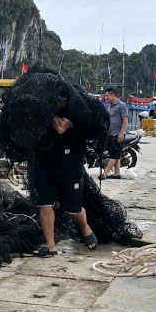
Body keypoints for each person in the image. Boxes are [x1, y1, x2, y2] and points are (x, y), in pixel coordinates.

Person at [29, 87, 98, 257]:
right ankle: (50, 245)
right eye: (55, 100)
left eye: (61, 100)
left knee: (73, 209)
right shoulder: (43, 114)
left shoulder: (75, 112)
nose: (58, 103)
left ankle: (85, 228)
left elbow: (60, 128)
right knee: (44, 203)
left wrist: (48, 112)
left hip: (70, 164)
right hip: (46, 162)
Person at [100, 88, 129, 179]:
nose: (106, 98)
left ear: (113, 95)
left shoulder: (121, 105)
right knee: (115, 154)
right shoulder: (107, 105)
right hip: (110, 134)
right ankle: (117, 173)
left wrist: (122, 133)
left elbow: (125, 120)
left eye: (107, 96)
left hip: (118, 134)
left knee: (114, 155)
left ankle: (104, 174)